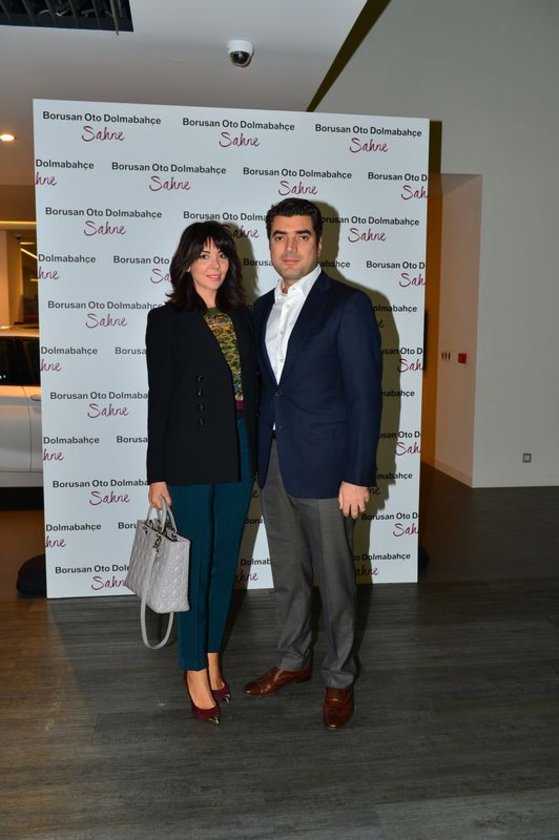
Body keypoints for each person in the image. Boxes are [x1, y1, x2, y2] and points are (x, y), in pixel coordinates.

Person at [243, 198, 382, 729]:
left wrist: (357, 475)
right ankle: (293, 659)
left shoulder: (347, 305)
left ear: (320, 244)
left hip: (329, 469)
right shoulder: (260, 309)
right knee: (288, 573)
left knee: (336, 579)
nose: (290, 247)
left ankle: (339, 678)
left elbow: (365, 398)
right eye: (280, 236)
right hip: (275, 461)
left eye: (301, 236)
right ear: (269, 243)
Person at [146, 220, 257, 725]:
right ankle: (192, 668)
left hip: (239, 447)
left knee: (222, 562)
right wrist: (157, 472)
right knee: (193, 564)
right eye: (204, 254)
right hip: (189, 453)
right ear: (186, 262)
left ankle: (212, 657)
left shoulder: (244, 317)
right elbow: (160, 399)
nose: (215, 264)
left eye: (222, 255)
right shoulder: (166, 320)